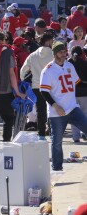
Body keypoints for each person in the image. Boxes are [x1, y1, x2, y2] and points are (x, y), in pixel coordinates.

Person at [40, 42, 87, 171]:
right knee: (57, 142)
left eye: (65, 52)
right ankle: (57, 168)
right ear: (55, 53)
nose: (64, 54)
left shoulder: (69, 66)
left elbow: (78, 84)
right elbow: (44, 91)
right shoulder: (48, 70)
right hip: (57, 112)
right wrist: (55, 106)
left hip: (72, 108)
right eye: (61, 52)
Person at [20, 33, 54, 140]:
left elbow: (23, 71)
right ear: (48, 42)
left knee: (40, 110)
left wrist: (24, 81)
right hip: (51, 85)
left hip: (37, 85)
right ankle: (53, 131)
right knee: (52, 108)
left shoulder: (33, 55)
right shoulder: (53, 54)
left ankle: (41, 134)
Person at [68, 46, 87, 143]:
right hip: (84, 92)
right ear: (81, 54)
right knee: (84, 114)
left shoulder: (68, 63)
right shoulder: (84, 63)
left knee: (74, 115)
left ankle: (76, 137)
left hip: (72, 93)